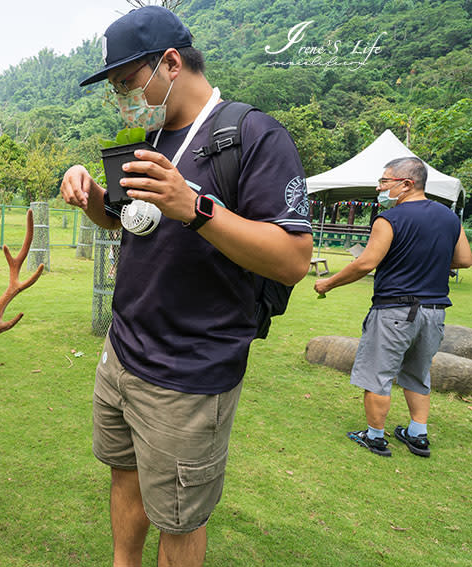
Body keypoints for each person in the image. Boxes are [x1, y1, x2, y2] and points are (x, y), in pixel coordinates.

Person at [59, 7, 312, 566]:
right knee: (124, 476)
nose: (123, 97)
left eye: (128, 82)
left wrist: (195, 208)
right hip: (122, 353)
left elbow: (295, 259)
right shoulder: (147, 138)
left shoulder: (253, 136)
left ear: (171, 63)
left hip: (187, 375)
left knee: (178, 516)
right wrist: (91, 197)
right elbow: (129, 222)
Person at [315, 157, 472, 458]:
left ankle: (374, 437)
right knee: (418, 373)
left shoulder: (390, 219)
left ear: (407, 184)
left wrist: (328, 283)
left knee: (377, 373)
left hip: (394, 311)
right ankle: (418, 435)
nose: (380, 187)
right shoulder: (450, 218)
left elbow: (367, 262)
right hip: (435, 312)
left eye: (385, 181)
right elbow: (464, 259)